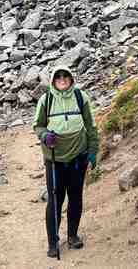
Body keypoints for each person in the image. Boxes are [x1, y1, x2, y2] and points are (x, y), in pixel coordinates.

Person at [33, 66, 99, 259]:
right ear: (53, 80)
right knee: (55, 200)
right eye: (58, 76)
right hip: (55, 159)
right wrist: (45, 135)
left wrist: (93, 151)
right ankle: (53, 242)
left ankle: (72, 236)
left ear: (71, 78)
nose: (62, 79)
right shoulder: (46, 100)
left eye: (66, 76)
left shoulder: (81, 97)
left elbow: (91, 126)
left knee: (76, 196)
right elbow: (37, 125)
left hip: (78, 156)